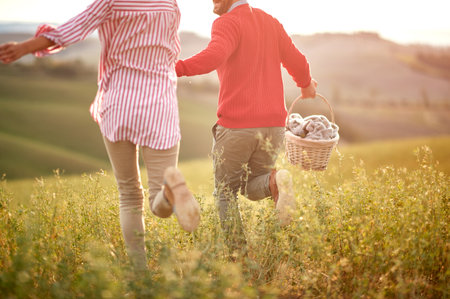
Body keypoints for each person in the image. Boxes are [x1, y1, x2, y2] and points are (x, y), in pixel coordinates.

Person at [0, 0, 200, 270]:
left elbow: (70, 30)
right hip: (159, 103)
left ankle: (138, 274)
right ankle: (169, 194)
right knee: (156, 198)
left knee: (129, 194)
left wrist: (23, 47)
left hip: (119, 101)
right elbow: (171, 49)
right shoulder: (169, 2)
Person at [175, 0, 317, 252]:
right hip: (273, 127)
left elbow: (214, 56)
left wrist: (175, 68)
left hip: (237, 127)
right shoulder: (270, 22)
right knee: (251, 185)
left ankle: (238, 255)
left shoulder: (227, 23)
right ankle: (275, 182)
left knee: (225, 192)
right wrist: (305, 84)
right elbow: (296, 59)